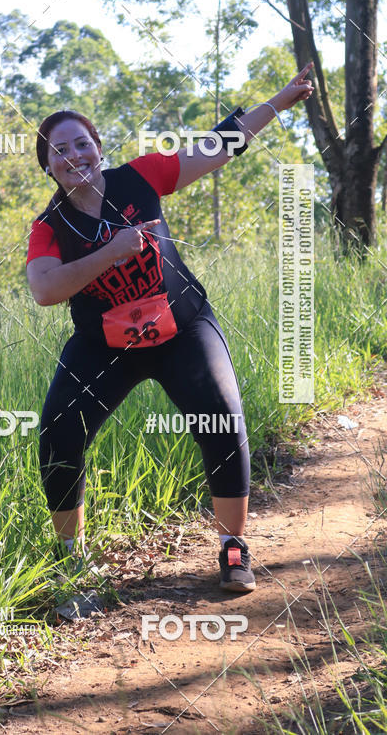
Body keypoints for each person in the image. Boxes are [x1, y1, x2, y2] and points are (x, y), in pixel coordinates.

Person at [26, 63, 314, 593]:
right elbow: (44, 289)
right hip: (106, 346)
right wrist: (111, 252)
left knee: (221, 417)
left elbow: (217, 147)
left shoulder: (140, 177)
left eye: (82, 143)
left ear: (98, 147)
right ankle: (70, 558)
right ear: (48, 166)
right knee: (58, 431)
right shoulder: (49, 227)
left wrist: (279, 101)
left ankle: (233, 547)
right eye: (60, 150)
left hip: (182, 328)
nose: (74, 156)